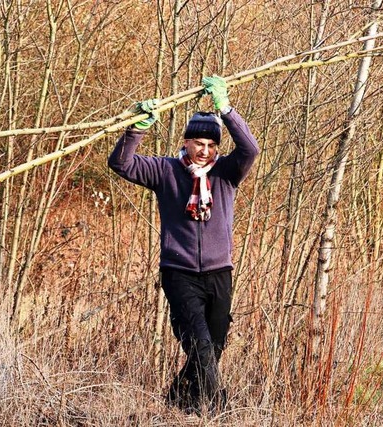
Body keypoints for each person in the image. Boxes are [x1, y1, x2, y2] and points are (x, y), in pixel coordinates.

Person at [108, 75, 259, 414]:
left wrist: (226, 110)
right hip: (179, 273)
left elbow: (250, 148)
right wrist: (137, 129)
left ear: (217, 149)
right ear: (187, 142)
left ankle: (179, 402)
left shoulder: (227, 172)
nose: (204, 151)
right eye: (198, 143)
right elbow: (121, 163)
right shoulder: (165, 171)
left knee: (213, 347)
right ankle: (219, 410)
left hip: (220, 272)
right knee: (201, 346)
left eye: (210, 145)